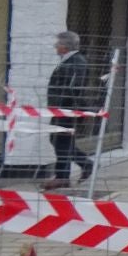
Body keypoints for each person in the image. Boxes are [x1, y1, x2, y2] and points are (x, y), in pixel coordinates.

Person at [45, 30, 97, 188]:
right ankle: (85, 164)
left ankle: (63, 176)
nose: (56, 46)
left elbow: (73, 88)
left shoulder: (76, 62)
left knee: (61, 141)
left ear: (66, 46)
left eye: (58, 43)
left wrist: (62, 106)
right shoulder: (69, 60)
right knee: (58, 140)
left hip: (67, 109)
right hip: (61, 109)